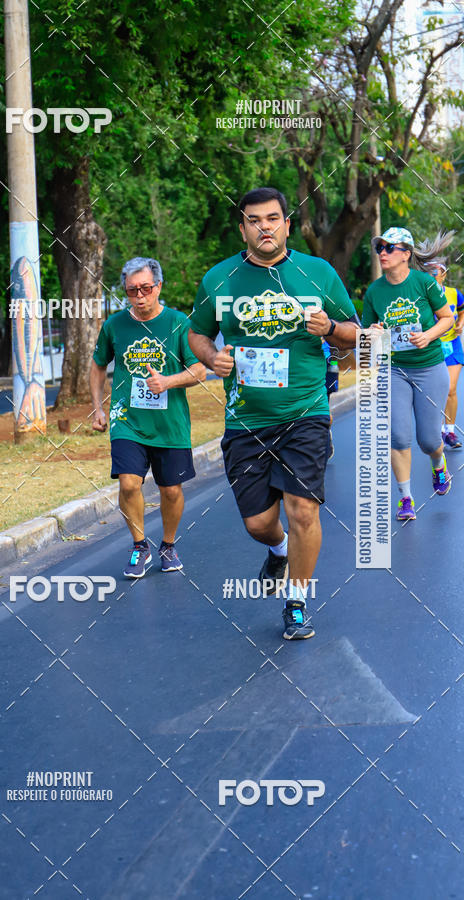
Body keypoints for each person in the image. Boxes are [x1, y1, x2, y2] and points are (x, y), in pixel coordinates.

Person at [188, 187, 358, 640]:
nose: (264, 227)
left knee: (303, 510)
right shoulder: (219, 279)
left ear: (287, 224)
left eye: (273, 218)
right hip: (246, 420)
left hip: (305, 411)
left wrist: (332, 328)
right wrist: (211, 359)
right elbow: (197, 334)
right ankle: (278, 549)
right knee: (259, 522)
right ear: (242, 227)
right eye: (254, 220)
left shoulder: (317, 272)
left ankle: (297, 600)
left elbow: (355, 335)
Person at [90, 257, 205, 578]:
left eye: (145, 289)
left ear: (158, 287)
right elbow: (98, 364)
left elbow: (199, 370)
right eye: (131, 291)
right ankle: (140, 545)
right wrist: (98, 408)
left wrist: (167, 381)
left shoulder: (179, 322)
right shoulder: (114, 325)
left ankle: (167, 545)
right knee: (129, 483)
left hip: (170, 423)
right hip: (127, 420)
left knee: (171, 490)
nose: (139, 297)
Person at [362, 227, 455, 521]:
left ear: (406, 254)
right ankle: (405, 498)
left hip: (429, 366)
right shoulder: (374, 292)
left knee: (429, 440)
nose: (384, 253)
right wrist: (373, 334)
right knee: (398, 436)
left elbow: (447, 318)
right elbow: (366, 337)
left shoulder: (424, 283)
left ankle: (438, 464)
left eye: (390, 248)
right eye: (380, 248)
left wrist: (427, 336)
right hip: (395, 370)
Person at [418, 237, 464, 450]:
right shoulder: (423, 297)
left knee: (451, 389)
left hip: (452, 346)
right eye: (428, 272)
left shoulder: (455, 294)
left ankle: (450, 431)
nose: (432, 276)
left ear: (444, 274)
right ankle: (436, 431)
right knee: (435, 392)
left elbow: (461, 310)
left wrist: (460, 323)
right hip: (431, 348)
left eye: (435, 272)